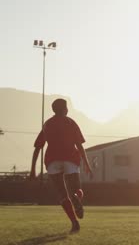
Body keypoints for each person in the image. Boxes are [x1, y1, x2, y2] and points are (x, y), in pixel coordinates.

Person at [30, 98, 93, 233]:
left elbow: (38, 147)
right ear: (65, 109)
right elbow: (80, 146)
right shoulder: (71, 122)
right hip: (70, 158)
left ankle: (74, 222)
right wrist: (87, 164)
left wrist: (32, 169)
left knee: (63, 195)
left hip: (52, 161)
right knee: (77, 189)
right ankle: (76, 197)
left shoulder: (47, 124)